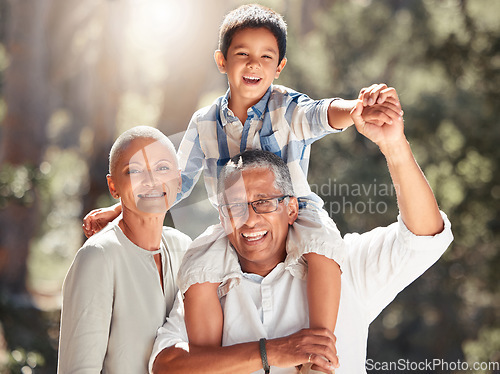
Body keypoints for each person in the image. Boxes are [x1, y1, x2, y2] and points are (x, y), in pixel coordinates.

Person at [82, 4, 399, 363]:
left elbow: (321, 114)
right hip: (231, 219)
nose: (254, 64)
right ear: (222, 61)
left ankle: (318, 353)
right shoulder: (205, 122)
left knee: (324, 245)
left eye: (266, 56)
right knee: (198, 264)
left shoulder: (287, 107)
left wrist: (355, 108)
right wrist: (120, 208)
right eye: (242, 54)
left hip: (294, 211)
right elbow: (178, 180)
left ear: (279, 67)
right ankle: (212, 360)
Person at [148, 93, 453, 374]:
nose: (249, 220)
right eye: (235, 207)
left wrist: (394, 146)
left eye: (263, 203)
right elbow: (167, 365)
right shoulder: (207, 279)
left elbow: (424, 236)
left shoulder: (342, 263)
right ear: (222, 217)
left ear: (292, 208)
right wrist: (271, 353)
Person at [57, 126, 192, 373]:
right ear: (113, 186)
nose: (152, 180)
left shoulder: (185, 248)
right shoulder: (97, 257)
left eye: (163, 168)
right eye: (134, 171)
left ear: (179, 179)